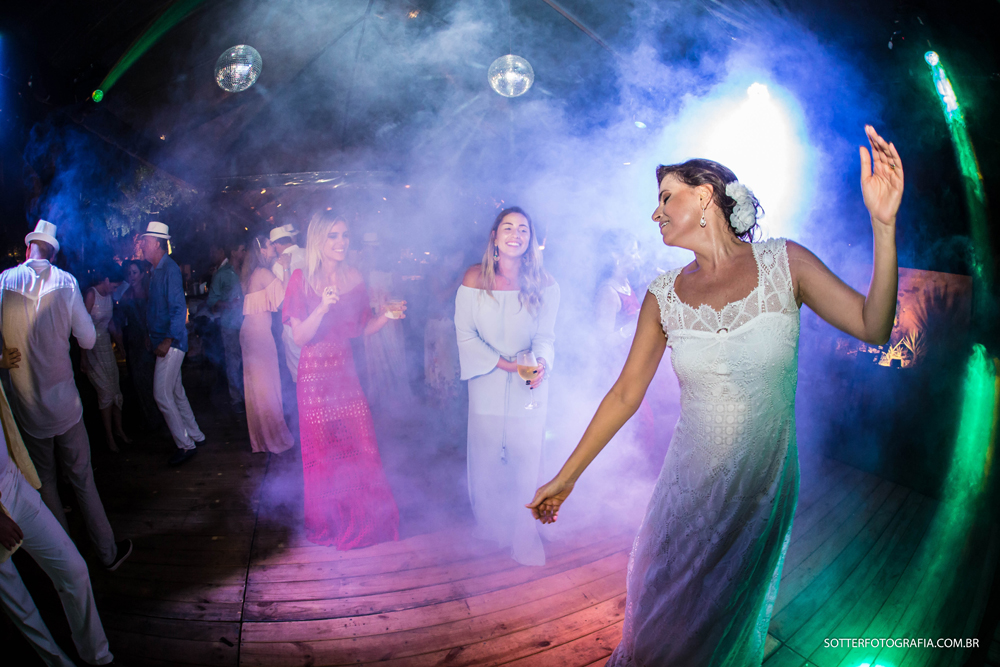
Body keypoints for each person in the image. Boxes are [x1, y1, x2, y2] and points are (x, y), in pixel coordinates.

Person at [527, 126, 903, 665]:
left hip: (760, 489)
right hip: (686, 492)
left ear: (704, 197)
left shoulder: (785, 264)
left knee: (717, 630)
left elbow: (874, 325)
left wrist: (883, 225)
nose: (654, 214)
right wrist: (565, 479)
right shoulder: (662, 297)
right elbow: (624, 394)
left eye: (664, 198)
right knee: (658, 622)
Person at [0, 220, 131, 572]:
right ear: (54, 252)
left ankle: (66, 563)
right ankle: (106, 553)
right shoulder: (66, 282)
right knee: (82, 479)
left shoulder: (4, 282)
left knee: (46, 485)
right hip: (65, 406)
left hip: (27, 407)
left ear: (29, 248)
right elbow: (87, 339)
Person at [283, 212, 400, 549]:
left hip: (345, 372)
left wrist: (387, 316)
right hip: (315, 376)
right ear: (319, 240)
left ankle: (367, 517)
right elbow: (300, 337)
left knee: (358, 445)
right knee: (324, 451)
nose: (341, 243)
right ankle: (330, 521)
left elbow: (362, 329)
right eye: (333, 236)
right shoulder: (301, 278)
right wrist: (320, 307)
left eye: (345, 235)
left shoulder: (354, 276)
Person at [456, 207, 560, 566]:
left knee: (527, 458)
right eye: (508, 228)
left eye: (523, 229)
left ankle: (523, 534)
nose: (515, 234)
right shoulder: (473, 278)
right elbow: (465, 335)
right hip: (485, 381)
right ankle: (491, 526)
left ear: (530, 239)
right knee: (484, 458)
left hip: (529, 385)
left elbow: (546, 337)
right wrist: (503, 365)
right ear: (495, 236)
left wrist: (542, 363)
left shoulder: (544, 283)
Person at [0, 355, 116, 667]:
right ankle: (57, 663)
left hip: (14, 483)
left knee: (73, 570)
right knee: (20, 605)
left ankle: (97, 656)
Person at [140, 221, 205, 466]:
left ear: (156, 243)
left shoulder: (170, 269)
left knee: (161, 395)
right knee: (176, 392)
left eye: (145, 242)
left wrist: (167, 339)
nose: (143, 246)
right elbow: (157, 309)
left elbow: (179, 309)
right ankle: (196, 436)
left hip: (173, 342)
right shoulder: (158, 270)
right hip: (165, 340)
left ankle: (185, 445)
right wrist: (152, 334)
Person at [240, 236, 293, 455]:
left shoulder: (255, 273)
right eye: (270, 245)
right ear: (262, 249)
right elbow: (285, 298)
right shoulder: (262, 273)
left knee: (258, 388)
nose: (274, 248)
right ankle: (274, 439)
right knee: (267, 387)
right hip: (259, 335)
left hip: (251, 333)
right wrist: (287, 268)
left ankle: (261, 439)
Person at [82, 263, 131, 453]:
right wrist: (84, 358)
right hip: (92, 348)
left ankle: (119, 431)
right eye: (115, 286)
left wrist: (120, 345)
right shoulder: (91, 294)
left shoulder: (109, 296)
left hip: (106, 349)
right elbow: (82, 328)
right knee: (105, 393)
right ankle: (109, 437)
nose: (116, 290)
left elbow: (110, 322)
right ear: (107, 280)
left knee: (116, 390)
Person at [115, 259, 163, 431]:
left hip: (151, 339)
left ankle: (161, 419)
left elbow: (157, 316)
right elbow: (118, 320)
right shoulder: (126, 295)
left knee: (154, 380)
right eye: (129, 273)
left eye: (134, 273)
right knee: (139, 381)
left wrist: (150, 335)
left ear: (142, 274)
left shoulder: (150, 292)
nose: (131, 276)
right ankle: (150, 420)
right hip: (134, 341)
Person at [207, 242, 245, 414]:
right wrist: (230, 304)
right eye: (242, 250)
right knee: (233, 362)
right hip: (229, 325)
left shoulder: (246, 271)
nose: (245, 253)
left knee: (246, 362)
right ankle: (236, 399)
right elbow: (211, 302)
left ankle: (247, 397)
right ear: (233, 251)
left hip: (246, 323)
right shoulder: (222, 274)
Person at [270, 224, 306, 382]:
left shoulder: (278, 264)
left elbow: (285, 296)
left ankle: (304, 404)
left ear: (276, 244)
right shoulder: (308, 253)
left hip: (295, 320)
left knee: (299, 369)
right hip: (317, 315)